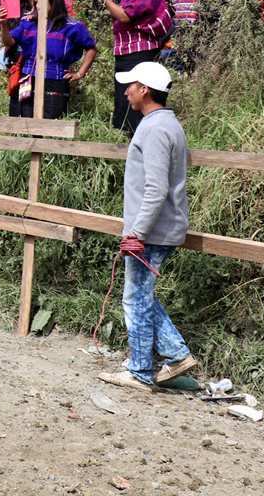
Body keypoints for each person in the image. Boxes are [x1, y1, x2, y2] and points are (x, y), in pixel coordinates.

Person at [98, 61, 196, 391]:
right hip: (161, 227)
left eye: (131, 85)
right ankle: (175, 354)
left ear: (144, 90)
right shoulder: (168, 125)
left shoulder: (154, 129)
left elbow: (155, 188)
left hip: (152, 231)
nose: (125, 91)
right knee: (139, 296)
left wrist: (136, 233)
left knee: (134, 299)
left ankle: (141, 370)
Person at [93, 0, 172, 135]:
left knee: (135, 97)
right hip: (128, 52)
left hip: (138, 52)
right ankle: (131, 141)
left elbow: (124, 16)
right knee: (126, 97)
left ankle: (140, 137)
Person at [0, 0, 97, 120]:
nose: (37, 6)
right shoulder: (28, 23)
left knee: (50, 125)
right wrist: (3, 24)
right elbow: (8, 42)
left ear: (54, 3)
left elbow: (91, 48)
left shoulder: (73, 26)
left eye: (41, 2)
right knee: (25, 123)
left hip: (55, 81)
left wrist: (80, 73)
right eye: (36, 2)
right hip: (27, 78)